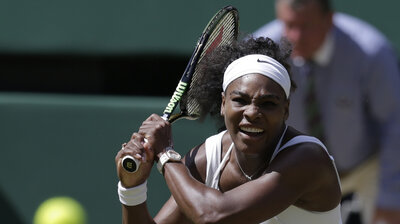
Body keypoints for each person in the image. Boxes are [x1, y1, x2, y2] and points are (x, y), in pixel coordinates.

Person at [115, 37, 343, 224]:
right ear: (223, 103)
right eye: (240, 100)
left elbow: (212, 215)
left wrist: (165, 154)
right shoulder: (206, 159)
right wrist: (131, 188)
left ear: (286, 110)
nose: (252, 113)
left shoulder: (308, 160)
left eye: (268, 103)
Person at [252, 0, 400, 224]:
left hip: (366, 167)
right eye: (289, 25)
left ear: (329, 19)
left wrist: (391, 199)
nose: (296, 37)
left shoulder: (371, 51)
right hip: (295, 169)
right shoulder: (262, 55)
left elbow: (394, 123)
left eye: (306, 26)